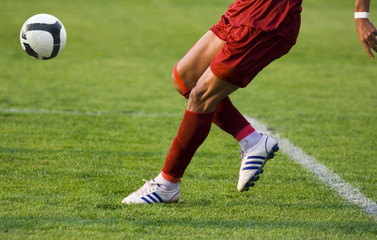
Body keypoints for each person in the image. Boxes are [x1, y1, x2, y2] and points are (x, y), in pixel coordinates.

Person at [122, 0, 375, 205]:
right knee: (184, 77)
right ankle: (252, 141)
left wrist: (361, 15)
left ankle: (168, 183)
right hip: (245, 8)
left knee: (201, 96)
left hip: (270, 17)